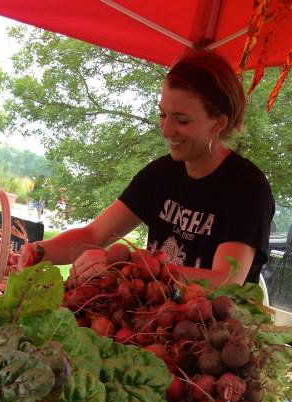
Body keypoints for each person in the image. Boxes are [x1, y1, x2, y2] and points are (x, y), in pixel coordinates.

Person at [18, 50, 274, 287]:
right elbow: (94, 235)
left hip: (214, 321)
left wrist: (127, 265)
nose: (166, 130)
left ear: (218, 123)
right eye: (163, 115)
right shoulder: (161, 174)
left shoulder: (248, 188)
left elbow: (226, 281)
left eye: (182, 120)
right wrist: (39, 251)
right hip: (153, 315)